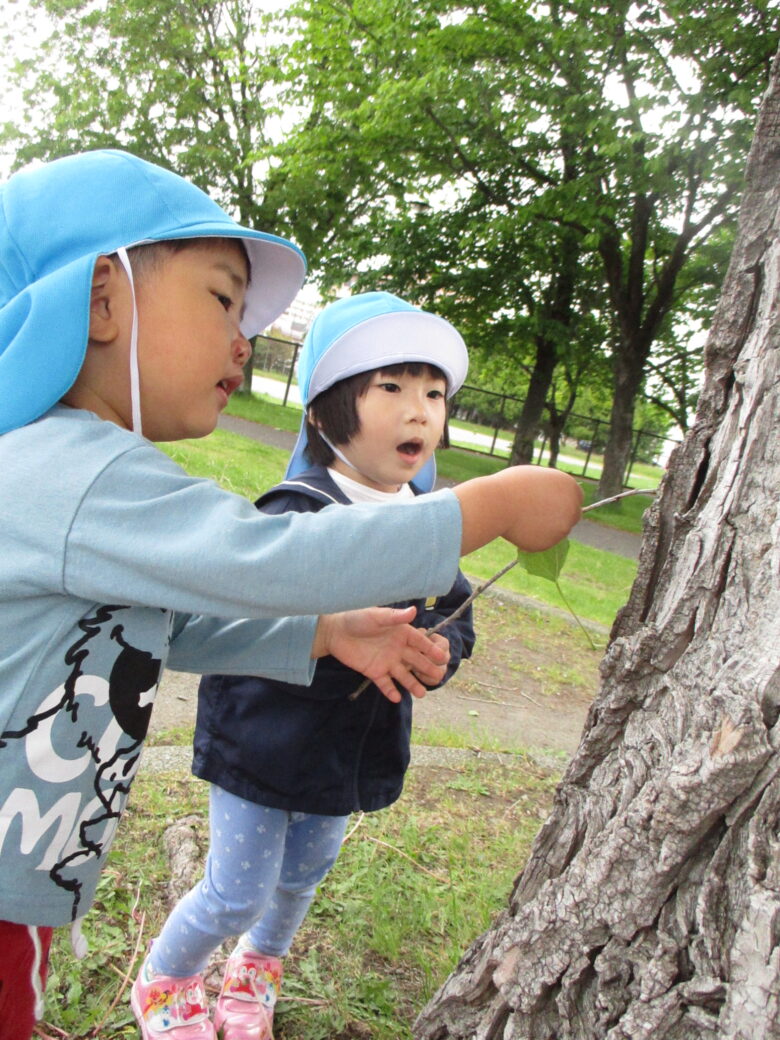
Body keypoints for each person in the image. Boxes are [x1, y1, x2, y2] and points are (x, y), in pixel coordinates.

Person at [0, 149, 581, 1039]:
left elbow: (168, 627)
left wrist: (316, 635)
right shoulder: (74, 469)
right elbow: (269, 555)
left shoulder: (73, 469)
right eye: (223, 298)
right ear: (103, 300)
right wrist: (486, 506)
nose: (244, 337)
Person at [134, 291, 477, 1040]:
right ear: (322, 413)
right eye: (390, 387)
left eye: (433, 392)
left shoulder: (428, 525)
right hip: (263, 742)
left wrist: (441, 653)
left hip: (347, 754)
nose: (418, 410)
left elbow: (458, 615)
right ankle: (168, 975)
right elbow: (237, 615)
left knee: (299, 880)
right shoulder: (296, 511)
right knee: (236, 889)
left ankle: (257, 969)